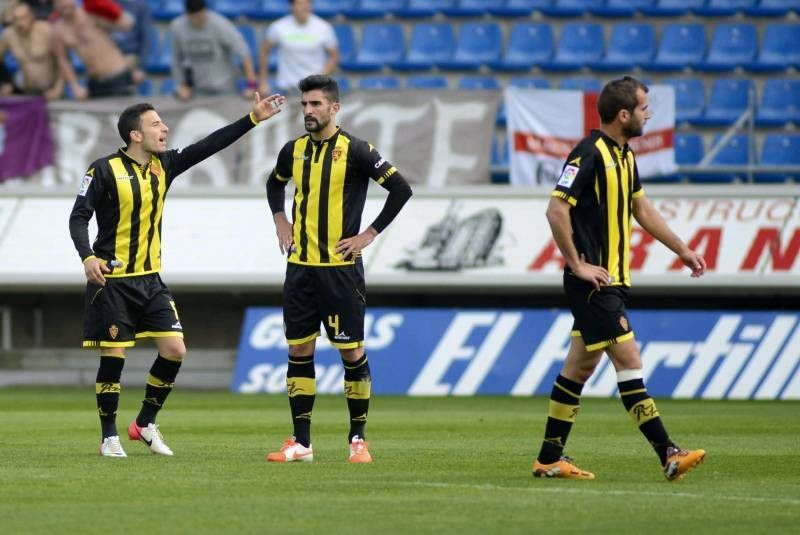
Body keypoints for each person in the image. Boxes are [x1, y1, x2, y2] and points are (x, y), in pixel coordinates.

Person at [69, 91, 286, 458]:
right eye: (155, 124)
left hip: (150, 279)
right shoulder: (103, 169)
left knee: (175, 350)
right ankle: (109, 437)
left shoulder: (163, 165)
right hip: (112, 280)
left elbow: (208, 146)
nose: (165, 128)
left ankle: (145, 422)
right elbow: (78, 216)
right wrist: (87, 257)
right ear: (134, 134)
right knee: (115, 356)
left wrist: (252, 119)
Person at [532, 76, 708, 481]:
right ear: (623, 113)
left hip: (611, 280)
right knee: (629, 360)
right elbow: (556, 210)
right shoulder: (587, 154)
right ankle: (669, 452)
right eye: (644, 107)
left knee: (577, 370)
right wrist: (577, 264)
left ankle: (548, 459)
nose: (649, 114)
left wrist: (681, 249)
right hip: (593, 283)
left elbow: (642, 210)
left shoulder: (626, 156)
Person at [265, 74, 412, 464]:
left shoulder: (357, 150)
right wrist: (281, 219)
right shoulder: (292, 150)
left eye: (316, 104)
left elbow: (401, 189)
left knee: (351, 352)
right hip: (300, 268)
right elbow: (273, 184)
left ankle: (358, 440)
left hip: (340, 271)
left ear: (334, 108)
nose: (308, 111)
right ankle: (302, 442)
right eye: (304, 105)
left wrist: (368, 235)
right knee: (299, 349)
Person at [170, 0, 256, 101]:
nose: (201, 20)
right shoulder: (178, 27)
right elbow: (176, 58)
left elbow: (243, 51)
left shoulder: (219, 24)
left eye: (203, 15)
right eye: (197, 18)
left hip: (225, 88)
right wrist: (181, 85)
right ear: (188, 15)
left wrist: (251, 86)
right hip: (198, 89)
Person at [52, 0, 136, 99]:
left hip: (118, 76)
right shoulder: (58, 30)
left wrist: (109, 9)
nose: (63, 4)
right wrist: (75, 86)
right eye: (58, 1)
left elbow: (125, 25)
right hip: (95, 82)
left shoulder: (91, 14)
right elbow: (63, 60)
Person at [258, 0, 338, 96]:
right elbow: (264, 51)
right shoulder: (278, 27)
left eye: (307, 3)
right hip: (285, 90)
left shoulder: (324, 28)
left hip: (314, 91)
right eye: (299, 3)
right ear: (291, 6)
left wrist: (319, 79)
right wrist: (263, 82)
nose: (304, 7)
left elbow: (334, 57)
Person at [0, 1, 63, 99]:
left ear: (32, 16)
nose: (20, 23)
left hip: (50, 90)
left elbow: (62, 61)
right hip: (27, 91)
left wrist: (58, 89)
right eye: (16, 19)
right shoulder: (9, 35)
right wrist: (6, 81)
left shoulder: (46, 30)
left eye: (23, 18)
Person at [109, 0, 151, 87]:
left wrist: (141, 68)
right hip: (110, 54)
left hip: (130, 55)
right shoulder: (109, 3)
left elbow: (146, 39)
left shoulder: (141, 6)